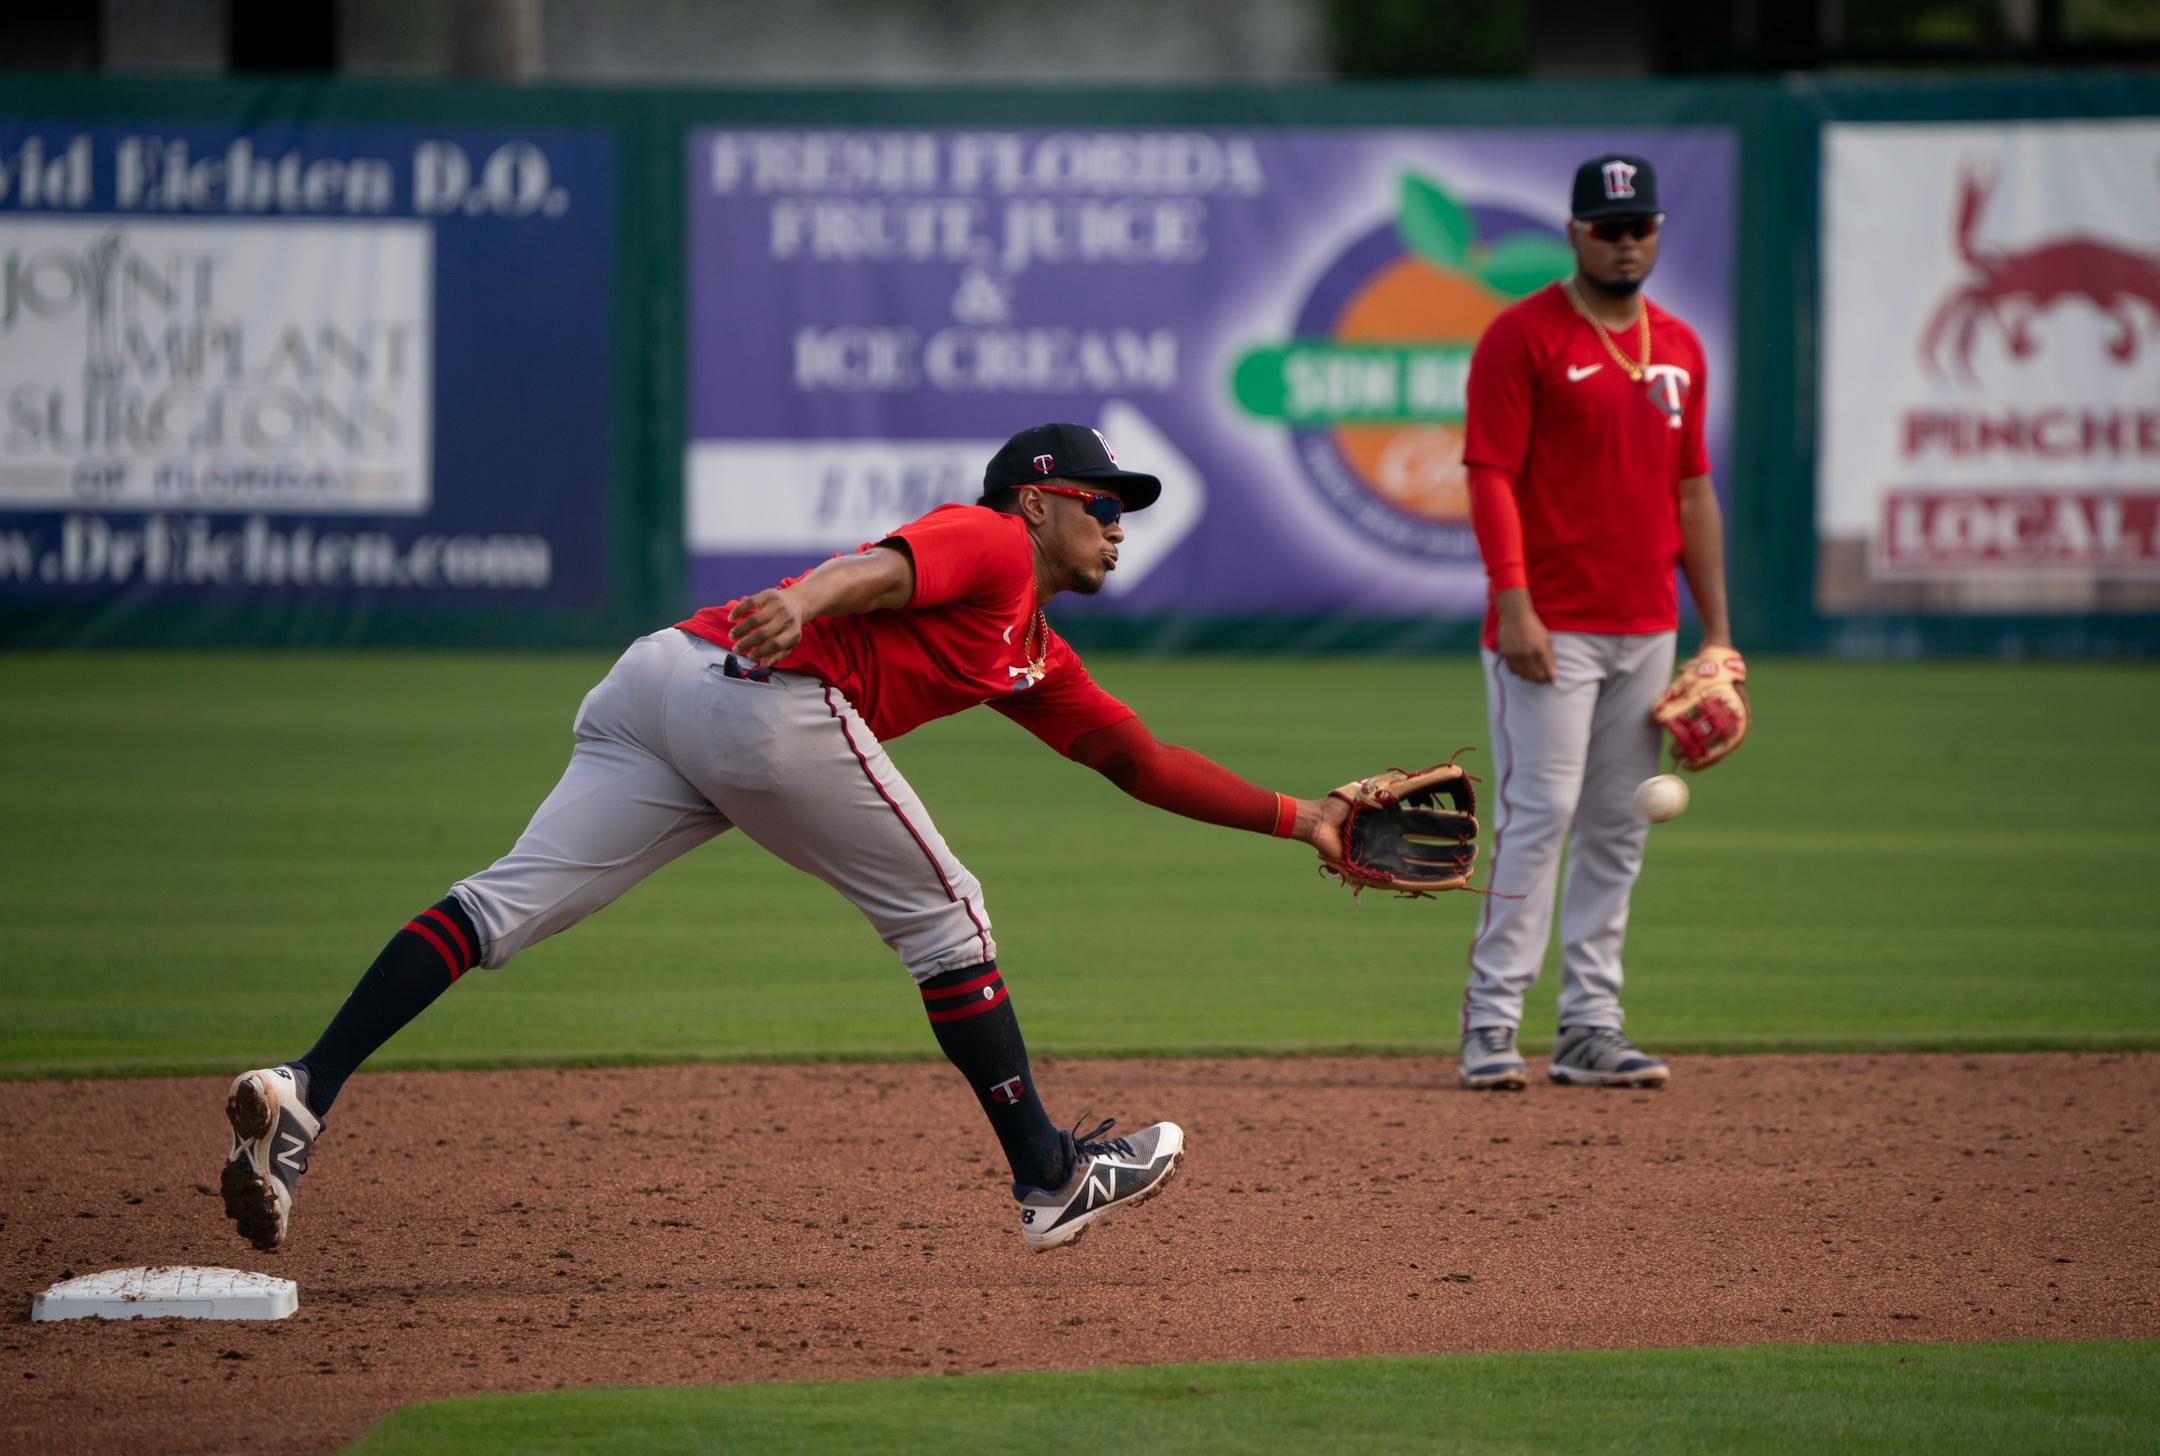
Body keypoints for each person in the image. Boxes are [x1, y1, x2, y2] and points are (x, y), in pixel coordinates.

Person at [222, 423, 1355, 1255]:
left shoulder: (1031, 651)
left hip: (664, 682)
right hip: (767, 691)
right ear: (1037, 502)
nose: (1118, 524)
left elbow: (1137, 762)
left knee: (499, 905)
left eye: (1126, 509)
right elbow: (892, 565)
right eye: (1102, 501)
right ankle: (1051, 1178)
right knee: (949, 917)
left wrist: (1304, 817)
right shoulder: (992, 543)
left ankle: (303, 1087)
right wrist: (812, 601)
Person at [1454, 154, 1735, 1091]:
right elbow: (1488, 474)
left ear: (1657, 232)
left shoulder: (1682, 348)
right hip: (1551, 628)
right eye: (1608, 228)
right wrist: (1515, 602)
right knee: (1541, 816)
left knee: (1619, 825)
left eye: (1639, 227)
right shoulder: (1523, 335)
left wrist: (1717, 633)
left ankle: (1589, 1026)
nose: (1625, 243)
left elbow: (1694, 492)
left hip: (1647, 625)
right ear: (1575, 232)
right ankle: (1492, 1025)